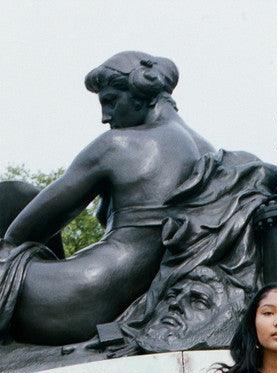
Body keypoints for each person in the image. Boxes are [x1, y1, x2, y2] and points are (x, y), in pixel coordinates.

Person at [0, 51, 214, 345]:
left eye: (111, 101)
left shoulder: (117, 146)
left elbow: (22, 231)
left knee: (12, 195)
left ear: (142, 94)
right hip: (134, 297)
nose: (104, 117)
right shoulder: (209, 153)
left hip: (74, 297)